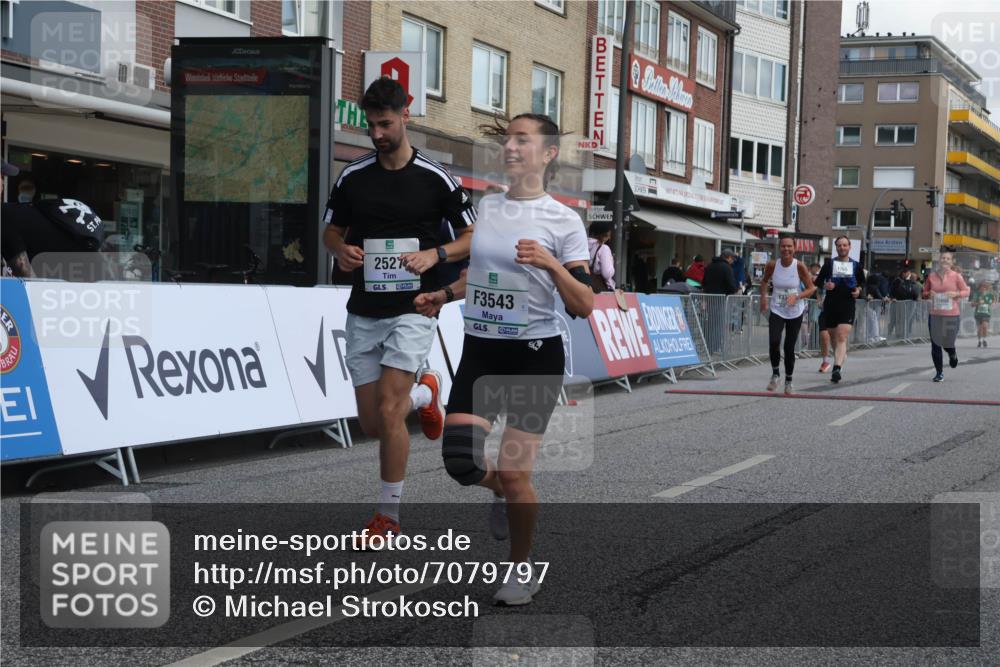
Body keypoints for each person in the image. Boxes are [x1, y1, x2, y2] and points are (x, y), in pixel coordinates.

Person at [414, 113, 594, 606]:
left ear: (548, 153)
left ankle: (521, 566)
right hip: (483, 350)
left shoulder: (564, 220)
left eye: (523, 139)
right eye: (508, 139)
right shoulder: (489, 208)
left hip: (535, 356)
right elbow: (478, 275)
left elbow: (583, 303)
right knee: (461, 463)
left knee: (516, 473)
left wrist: (551, 262)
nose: (511, 147)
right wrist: (444, 295)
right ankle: (503, 491)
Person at [322, 77, 476, 542]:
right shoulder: (353, 175)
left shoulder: (436, 177)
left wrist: (436, 255)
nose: (377, 134)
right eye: (371, 125)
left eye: (385, 124)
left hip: (415, 307)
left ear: (406, 116)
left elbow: (473, 236)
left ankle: (387, 517)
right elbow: (331, 230)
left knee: (390, 411)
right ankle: (426, 394)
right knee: (372, 423)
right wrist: (340, 251)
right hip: (364, 309)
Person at [759, 236, 817, 394]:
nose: (786, 249)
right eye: (783, 246)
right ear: (779, 248)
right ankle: (775, 374)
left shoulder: (799, 266)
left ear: (794, 248)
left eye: (789, 246)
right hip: (777, 309)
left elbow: (811, 288)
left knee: (789, 347)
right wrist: (763, 298)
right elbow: (764, 281)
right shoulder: (772, 265)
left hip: (795, 311)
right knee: (774, 341)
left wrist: (797, 296)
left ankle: (789, 381)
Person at [1, 197, 106, 279]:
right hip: (92, 254)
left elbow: (22, 267)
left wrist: (40, 294)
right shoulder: (22, 210)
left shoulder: (4, 218)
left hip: (76, 265)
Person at [815, 236, 865, 383]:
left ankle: (836, 368)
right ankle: (841, 356)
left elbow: (863, 283)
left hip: (847, 304)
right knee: (833, 336)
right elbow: (818, 281)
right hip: (831, 304)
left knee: (841, 336)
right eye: (839, 245)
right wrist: (826, 285)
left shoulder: (856, 265)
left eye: (845, 245)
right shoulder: (829, 264)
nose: (842, 248)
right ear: (836, 248)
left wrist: (858, 291)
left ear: (849, 247)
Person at [922, 250, 970, 382]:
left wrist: (956, 294)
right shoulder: (932, 276)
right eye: (943, 258)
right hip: (935, 315)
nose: (945, 260)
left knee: (947, 343)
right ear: (939, 260)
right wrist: (928, 294)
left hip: (951, 315)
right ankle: (939, 372)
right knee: (935, 344)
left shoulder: (956, 276)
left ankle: (952, 353)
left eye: (948, 259)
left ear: (951, 262)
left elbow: (966, 291)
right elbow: (924, 292)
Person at [702, 250, 739, 355]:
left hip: (709, 299)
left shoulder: (710, 266)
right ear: (728, 257)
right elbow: (731, 286)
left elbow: (704, 282)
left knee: (710, 323)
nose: (732, 261)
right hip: (721, 300)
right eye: (732, 258)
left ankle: (708, 346)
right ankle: (715, 346)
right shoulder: (727, 268)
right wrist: (735, 289)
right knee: (719, 324)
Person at [587, 220, 615, 292]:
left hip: (583, 287)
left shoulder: (582, 245)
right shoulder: (604, 248)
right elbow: (607, 274)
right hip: (599, 289)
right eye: (607, 235)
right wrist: (612, 262)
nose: (608, 238)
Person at [972, 281, 994, 347]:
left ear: (986, 288)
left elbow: (993, 302)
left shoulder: (989, 295)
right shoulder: (976, 294)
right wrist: (978, 303)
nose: (983, 289)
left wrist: (991, 304)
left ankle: (984, 340)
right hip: (978, 314)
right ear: (979, 288)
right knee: (979, 329)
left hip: (986, 314)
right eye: (981, 287)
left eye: (985, 288)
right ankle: (980, 341)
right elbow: (972, 304)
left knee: (985, 326)